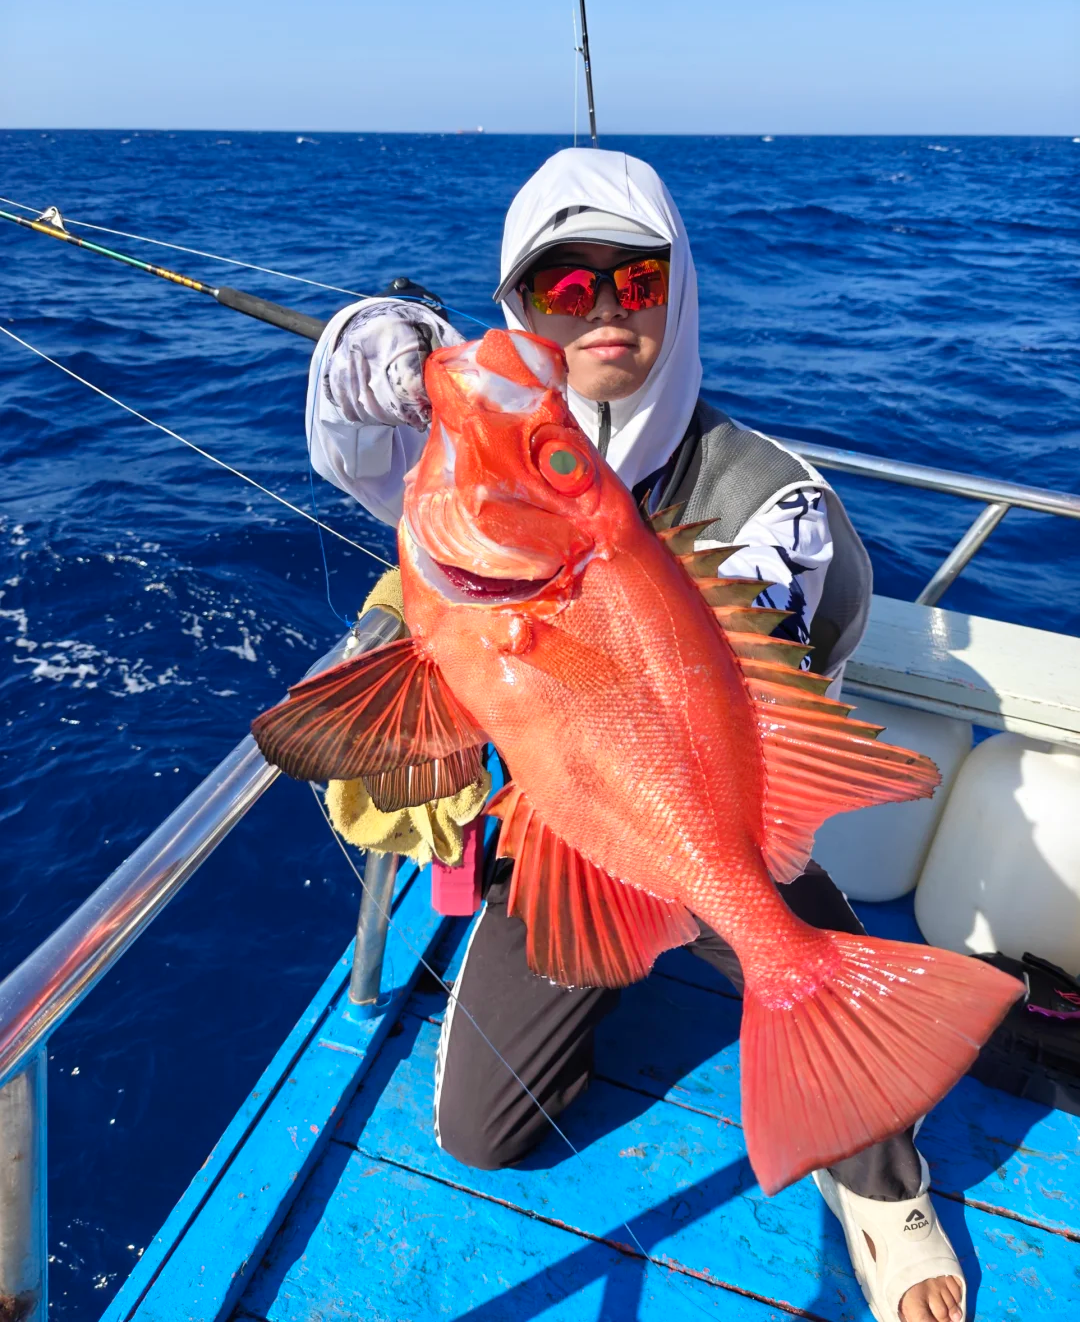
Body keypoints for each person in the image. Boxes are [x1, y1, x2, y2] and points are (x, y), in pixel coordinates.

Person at [307, 148, 967, 1322]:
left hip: (718, 831)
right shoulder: (495, 463)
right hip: (570, 827)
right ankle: (619, 971)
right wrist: (371, 346)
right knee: (480, 1133)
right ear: (521, 307)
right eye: (566, 286)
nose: (605, 307)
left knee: (774, 913)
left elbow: (763, 708)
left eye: (638, 279)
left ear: (680, 287)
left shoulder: (775, 499)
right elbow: (354, 442)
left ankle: (883, 1178)